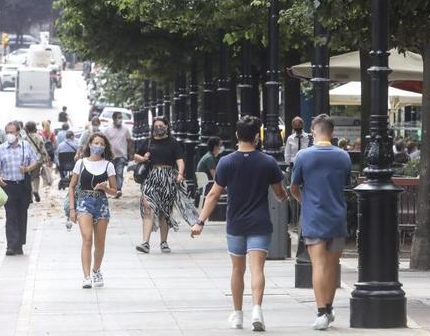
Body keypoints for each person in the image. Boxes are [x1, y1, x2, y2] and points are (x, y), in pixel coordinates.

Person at [190, 116, 287, 331]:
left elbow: (213, 194)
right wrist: (284, 196)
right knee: (257, 269)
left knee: (237, 269)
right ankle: (257, 310)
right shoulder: (268, 162)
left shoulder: (226, 162)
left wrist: (200, 221)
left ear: (236, 135)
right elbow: (280, 193)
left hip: (236, 223)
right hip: (260, 222)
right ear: (256, 137)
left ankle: (238, 314)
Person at [290, 114, 352, 331]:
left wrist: (305, 201)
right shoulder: (343, 156)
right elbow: (346, 183)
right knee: (333, 265)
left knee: (318, 265)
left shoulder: (303, 156)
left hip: (313, 216)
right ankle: (329, 306)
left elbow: (294, 187)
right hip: (336, 216)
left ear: (314, 131)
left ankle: (321, 312)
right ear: (332, 132)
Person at [133, 116, 198, 254]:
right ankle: (145, 242)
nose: (159, 128)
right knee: (148, 207)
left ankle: (164, 242)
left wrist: (180, 173)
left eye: (161, 125)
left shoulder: (173, 143)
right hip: (151, 178)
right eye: (156, 126)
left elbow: (180, 160)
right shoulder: (148, 141)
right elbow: (135, 156)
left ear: (167, 126)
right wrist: (143, 158)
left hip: (168, 179)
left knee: (164, 211)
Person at [67, 133, 117, 288]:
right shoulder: (81, 163)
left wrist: (105, 188)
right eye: (96, 143)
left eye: (102, 144)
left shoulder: (108, 165)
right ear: (89, 144)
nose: (99, 146)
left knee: (100, 243)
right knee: (87, 238)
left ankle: (96, 270)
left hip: (101, 203)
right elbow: (72, 186)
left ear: (105, 147)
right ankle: (86, 276)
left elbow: (115, 191)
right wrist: (72, 209)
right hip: (84, 202)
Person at [0, 122, 39, 256]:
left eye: (12, 132)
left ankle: (19, 244)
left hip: (23, 185)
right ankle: (11, 245)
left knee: (22, 214)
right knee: (11, 214)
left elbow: (35, 161)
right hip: (8, 185)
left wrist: (27, 169)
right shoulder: (1, 148)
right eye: (7, 132)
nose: (9, 135)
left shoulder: (25, 145)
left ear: (18, 133)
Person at [102, 111, 133, 199]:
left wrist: (131, 154)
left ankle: (118, 190)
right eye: (118, 118)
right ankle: (113, 190)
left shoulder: (126, 129)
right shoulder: (107, 130)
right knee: (112, 174)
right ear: (113, 119)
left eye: (120, 118)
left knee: (119, 173)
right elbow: (104, 142)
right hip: (111, 156)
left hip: (122, 155)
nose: (119, 120)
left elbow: (129, 141)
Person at [24, 121, 53, 202]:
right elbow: (42, 149)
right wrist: (47, 159)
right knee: (36, 176)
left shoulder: (24, 138)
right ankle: (35, 190)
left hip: (27, 160)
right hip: (37, 160)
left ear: (26, 129)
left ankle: (29, 196)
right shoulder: (39, 137)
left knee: (28, 178)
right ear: (34, 128)